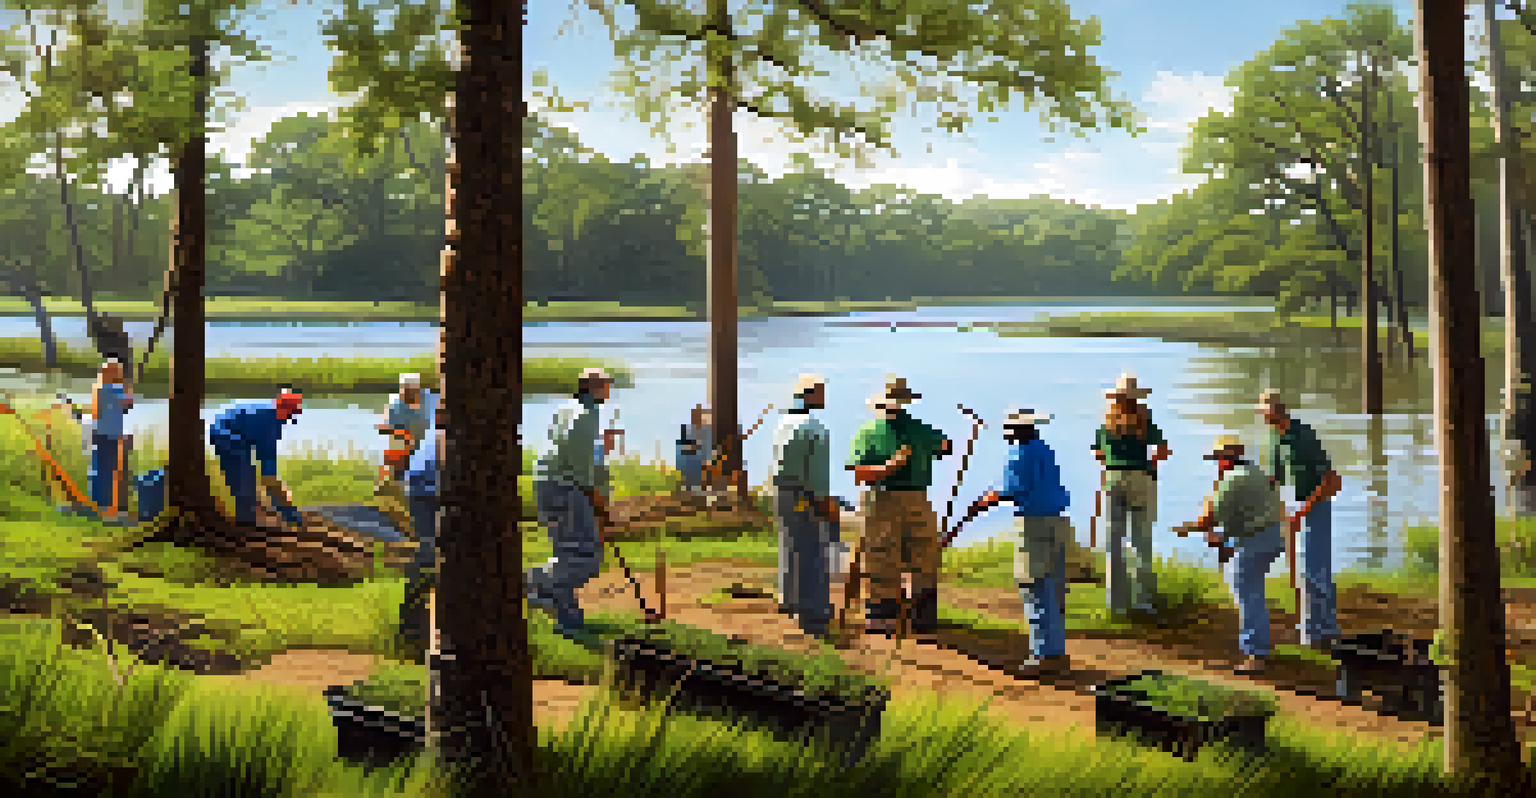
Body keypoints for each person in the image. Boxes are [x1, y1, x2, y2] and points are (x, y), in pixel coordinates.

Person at [959, 408, 1073, 677]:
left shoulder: (1019, 453)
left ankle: (1043, 655)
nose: (1006, 432)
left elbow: (1010, 490)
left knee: (1032, 585)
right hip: (1056, 521)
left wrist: (982, 503)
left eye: (1010, 428)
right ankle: (1055, 652)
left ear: (1020, 430)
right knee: (1051, 587)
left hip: (1034, 523)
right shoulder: (1043, 449)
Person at [846, 375, 952, 636]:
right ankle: (913, 619)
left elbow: (859, 473)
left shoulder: (868, 432)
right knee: (913, 555)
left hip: (889, 498)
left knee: (889, 555)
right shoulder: (918, 430)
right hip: (903, 498)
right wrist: (893, 465)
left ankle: (893, 619)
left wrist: (889, 467)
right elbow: (946, 447)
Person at [1174, 436, 1287, 675]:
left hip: (1255, 540)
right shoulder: (1256, 471)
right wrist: (1223, 539)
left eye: (1217, 459)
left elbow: (1208, 519)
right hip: (1273, 536)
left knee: (1246, 593)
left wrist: (1187, 528)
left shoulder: (1232, 480)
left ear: (1226, 459)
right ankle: (1259, 648)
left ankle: (1256, 654)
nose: (1216, 464)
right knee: (1252, 591)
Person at [527, 368, 616, 639]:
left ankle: (568, 619)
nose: (609, 390)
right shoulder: (585, 415)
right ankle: (530, 581)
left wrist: (600, 448)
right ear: (593, 388)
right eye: (605, 386)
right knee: (585, 557)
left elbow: (567, 448)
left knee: (567, 553)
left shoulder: (568, 407)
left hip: (548, 483)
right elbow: (582, 470)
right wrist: (599, 503)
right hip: (565, 487)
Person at [1257, 391, 1344, 650]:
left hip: (1315, 506)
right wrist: (1279, 511)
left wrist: (1303, 510)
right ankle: (1313, 629)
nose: (1262, 415)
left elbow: (1329, 479)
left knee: (1316, 569)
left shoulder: (1303, 435)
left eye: (1265, 411)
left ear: (1276, 411)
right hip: (1296, 506)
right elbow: (1274, 480)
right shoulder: (1273, 438)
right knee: (1303, 570)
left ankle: (1322, 631)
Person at [1092, 373, 1170, 618]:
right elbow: (1163, 450)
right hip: (1142, 478)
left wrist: (1111, 462)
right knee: (1141, 541)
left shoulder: (1106, 423)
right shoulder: (1145, 421)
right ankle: (1144, 601)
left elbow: (1098, 454)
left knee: (1114, 542)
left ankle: (1116, 604)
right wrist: (1150, 462)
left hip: (1114, 479)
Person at [771, 374, 839, 637]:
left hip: (782, 492)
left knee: (789, 544)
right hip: (804, 494)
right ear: (811, 395)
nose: (824, 397)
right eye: (821, 392)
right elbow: (817, 474)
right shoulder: (814, 427)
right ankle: (813, 613)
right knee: (812, 550)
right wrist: (825, 503)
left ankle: (789, 600)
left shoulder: (783, 423)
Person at [208, 387, 306, 529]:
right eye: (291, 414)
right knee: (244, 478)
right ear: (283, 408)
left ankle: (250, 517)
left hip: (230, 432)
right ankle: (247, 525)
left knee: (247, 477)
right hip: (225, 435)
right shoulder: (269, 424)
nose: (290, 419)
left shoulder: (270, 415)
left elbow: (268, 469)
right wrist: (290, 512)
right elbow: (268, 475)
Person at [397, 392, 444, 650]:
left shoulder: (435, 430)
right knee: (428, 555)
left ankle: (414, 623)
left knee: (427, 554)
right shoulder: (443, 436)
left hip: (421, 489)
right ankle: (413, 625)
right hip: (426, 491)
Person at [87, 359, 134, 519]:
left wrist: (126, 393)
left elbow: (123, 407)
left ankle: (99, 503)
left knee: (100, 468)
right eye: (118, 370)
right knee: (109, 470)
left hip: (101, 433)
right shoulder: (112, 390)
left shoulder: (100, 388)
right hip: (110, 435)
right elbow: (128, 403)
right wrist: (128, 392)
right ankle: (105, 505)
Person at [378, 373, 436, 484]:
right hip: (405, 443)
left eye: (412, 391)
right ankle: (396, 477)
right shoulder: (395, 403)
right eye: (406, 391)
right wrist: (405, 435)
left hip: (428, 443)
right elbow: (383, 428)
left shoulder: (430, 399)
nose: (409, 394)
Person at [676, 405, 714, 496]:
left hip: (702, 460)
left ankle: (701, 488)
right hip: (692, 461)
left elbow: (708, 448)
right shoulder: (687, 430)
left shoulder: (707, 432)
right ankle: (692, 488)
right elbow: (684, 448)